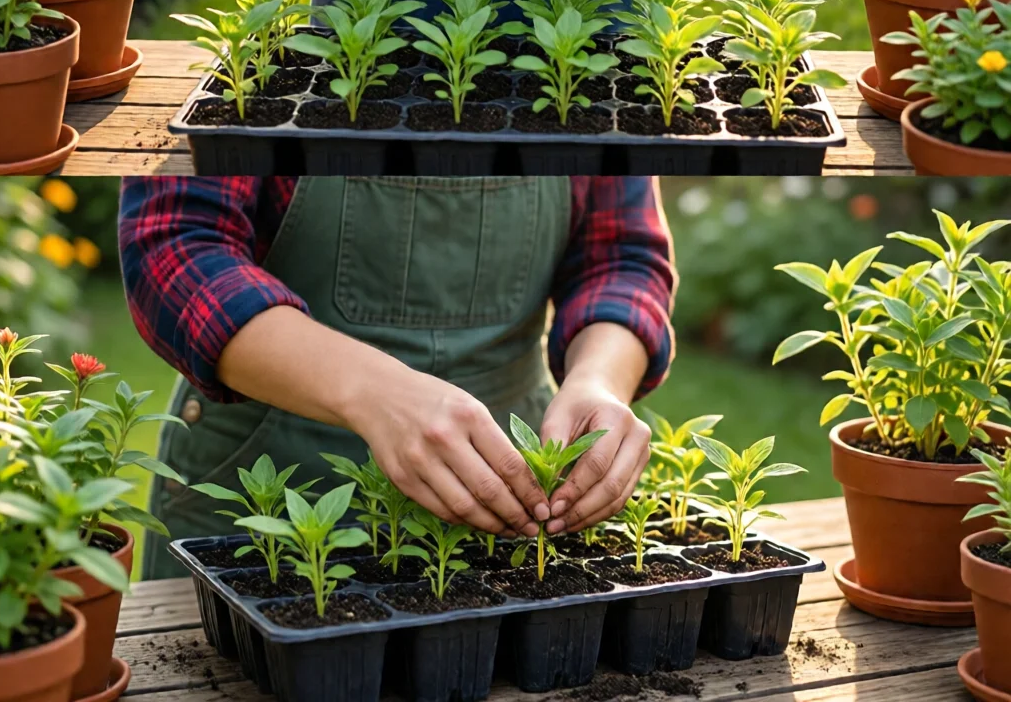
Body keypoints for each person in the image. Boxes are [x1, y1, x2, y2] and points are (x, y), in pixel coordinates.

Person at [119, 174, 675, 577]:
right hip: (264, 479)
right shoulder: (269, 46)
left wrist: (598, 381)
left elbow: (623, 256)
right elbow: (175, 245)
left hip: (507, 498)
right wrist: (371, 390)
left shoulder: (597, 58)